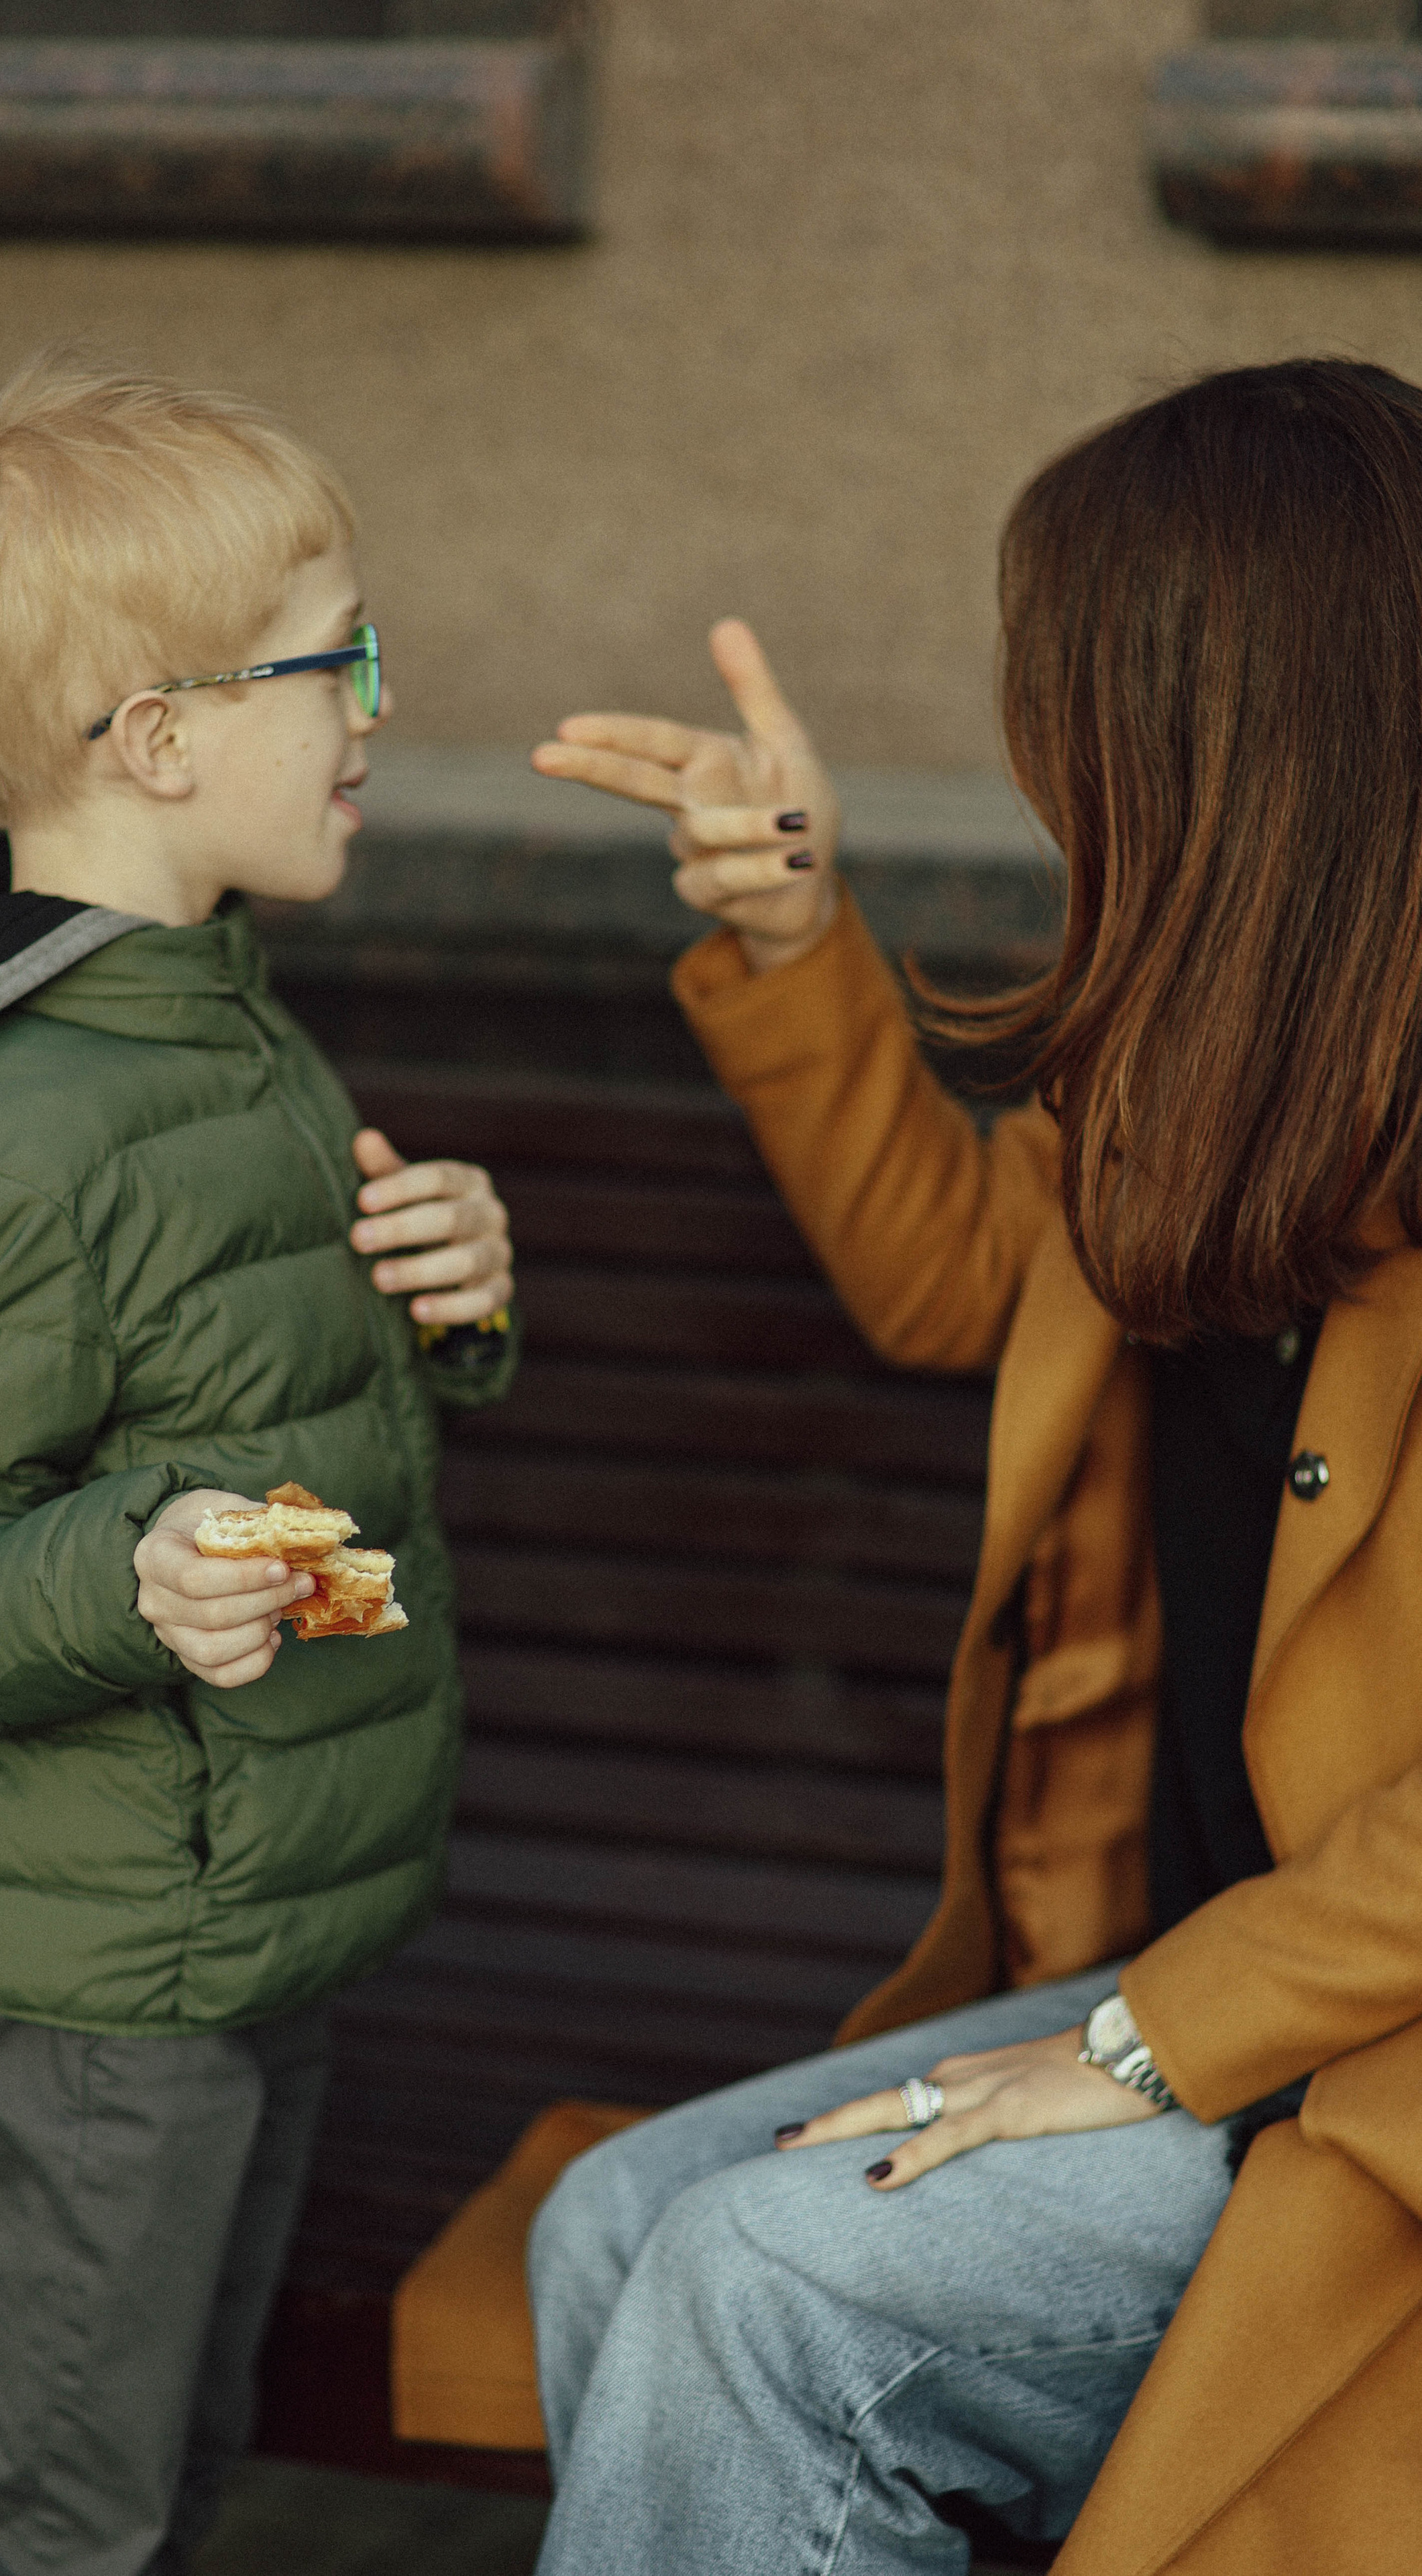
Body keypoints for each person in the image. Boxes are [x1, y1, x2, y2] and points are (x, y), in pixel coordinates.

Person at [523, 359, 1422, 2575]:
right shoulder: (1197, 1076)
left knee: (758, 2282)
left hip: (1361, 2056)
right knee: (613, 2219)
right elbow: (955, 1284)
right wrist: (789, 935)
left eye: (1065, 704)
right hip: (1216, 1986)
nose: (1041, 759)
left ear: (1207, 745)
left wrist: (1141, 2048)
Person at [0, 356, 517, 2576]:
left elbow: (253, 1388)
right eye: (338, 660)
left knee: (154, 2490)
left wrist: (450, 1296)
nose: (378, 705)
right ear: (162, 736)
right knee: (46, 2527)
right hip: (86, 1981)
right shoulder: (0, 1138)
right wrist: (127, 1572)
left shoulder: (212, 1024)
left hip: (235, 1929)